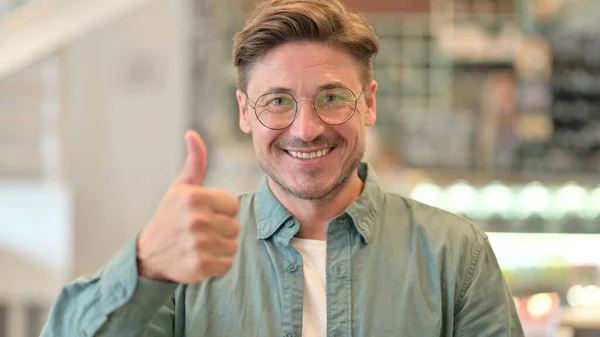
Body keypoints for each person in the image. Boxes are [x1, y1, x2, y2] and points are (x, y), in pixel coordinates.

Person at [41, 0, 524, 336]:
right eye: (277, 101)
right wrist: (145, 267)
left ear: (369, 104)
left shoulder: (455, 255)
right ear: (245, 112)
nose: (306, 129)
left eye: (332, 97)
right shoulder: (189, 254)